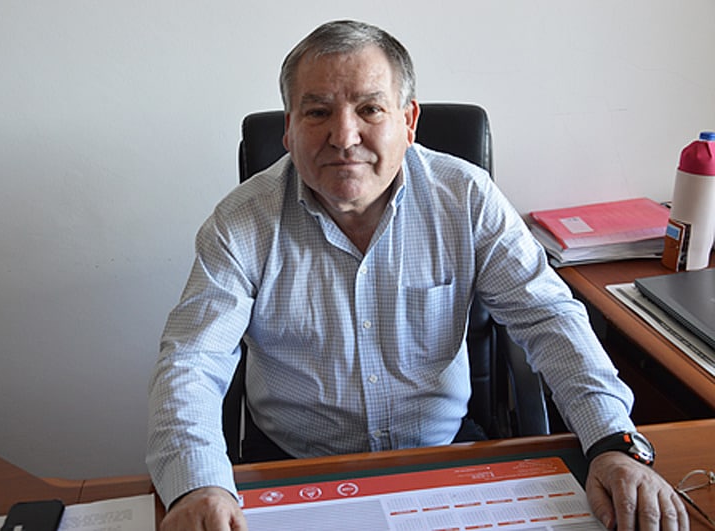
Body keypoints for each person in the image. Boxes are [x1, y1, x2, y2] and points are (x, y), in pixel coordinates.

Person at [147, 20, 688, 531]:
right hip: (295, 465)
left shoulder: (466, 198)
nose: (344, 136)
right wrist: (197, 485)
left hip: (444, 454)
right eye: (317, 112)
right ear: (288, 128)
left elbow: (549, 319)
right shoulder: (241, 222)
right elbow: (192, 359)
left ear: (408, 122)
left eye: (369, 108)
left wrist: (613, 444)